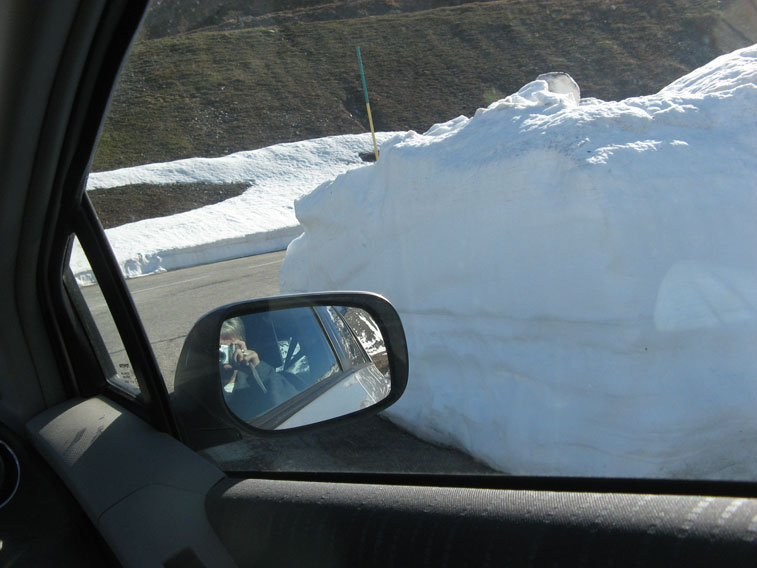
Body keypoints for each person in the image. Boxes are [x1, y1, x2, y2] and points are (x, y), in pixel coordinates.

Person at [219, 316, 298, 422]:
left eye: (230, 349)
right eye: (220, 351)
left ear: (242, 347)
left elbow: (291, 405)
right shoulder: (201, 385)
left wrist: (257, 367)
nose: (224, 355)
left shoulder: (258, 383)